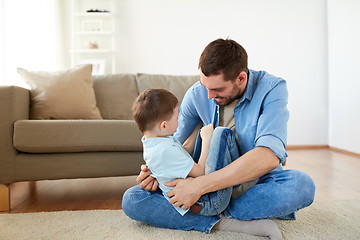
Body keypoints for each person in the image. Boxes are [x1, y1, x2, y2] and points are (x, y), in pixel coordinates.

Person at [122, 38, 315, 238]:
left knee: (302, 186)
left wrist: (199, 186)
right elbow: (172, 144)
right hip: (202, 188)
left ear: (241, 78)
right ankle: (229, 217)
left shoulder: (271, 89)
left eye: (217, 90)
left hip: (253, 183)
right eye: (205, 86)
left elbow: (268, 156)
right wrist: (156, 172)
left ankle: (216, 213)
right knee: (133, 198)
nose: (208, 95)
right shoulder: (197, 94)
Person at [130, 88, 281, 239]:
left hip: (195, 199)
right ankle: (239, 193)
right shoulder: (164, 151)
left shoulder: (153, 141)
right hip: (208, 201)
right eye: (177, 117)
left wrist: (200, 126)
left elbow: (180, 152)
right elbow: (201, 172)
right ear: (163, 126)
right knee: (223, 134)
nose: (179, 120)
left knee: (132, 197)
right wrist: (208, 139)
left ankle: (221, 216)